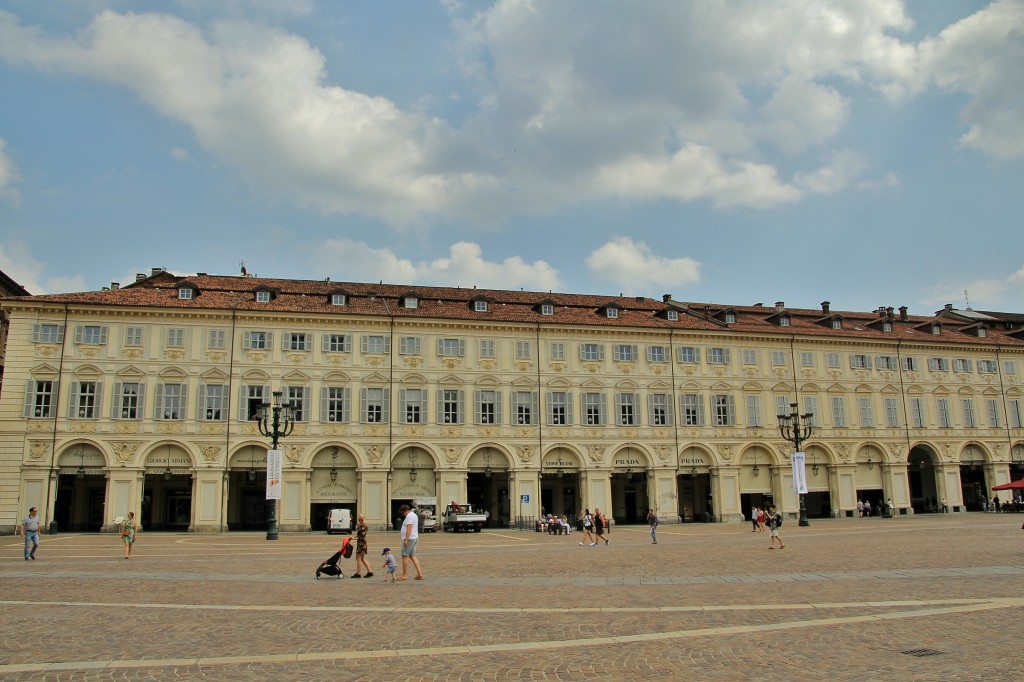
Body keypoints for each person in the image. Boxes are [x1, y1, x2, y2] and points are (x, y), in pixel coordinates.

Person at [398, 504, 424, 581]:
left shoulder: (409, 517)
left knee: (404, 555)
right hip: (414, 537)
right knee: (412, 555)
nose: (403, 515)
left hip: (410, 539)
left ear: (406, 511)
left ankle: (404, 575)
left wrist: (406, 539)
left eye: (403, 513)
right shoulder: (414, 515)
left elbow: (409, 528)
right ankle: (419, 574)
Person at [351, 514, 373, 578]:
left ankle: (358, 573)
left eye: (361, 519)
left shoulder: (364, 526)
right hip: (362, 543)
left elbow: (361, 537)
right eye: (359, 519)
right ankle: (370, 572)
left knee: (358, 558)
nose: (360, 520)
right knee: (362, 559)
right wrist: (353, 537)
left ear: (364, 519)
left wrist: (353, 538)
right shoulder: (361, 525)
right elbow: (359, 535)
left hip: (361, 544)